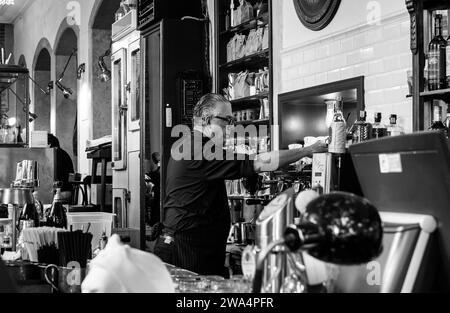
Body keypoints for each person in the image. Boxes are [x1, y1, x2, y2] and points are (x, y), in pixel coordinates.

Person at [153, 94, 327, 276]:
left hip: (183, 243)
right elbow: (259, 162)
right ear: (205, 118)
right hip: (187, 248)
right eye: (226, 120)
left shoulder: (189, 144)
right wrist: (308, 150)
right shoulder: (202, 149)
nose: (230, 127)